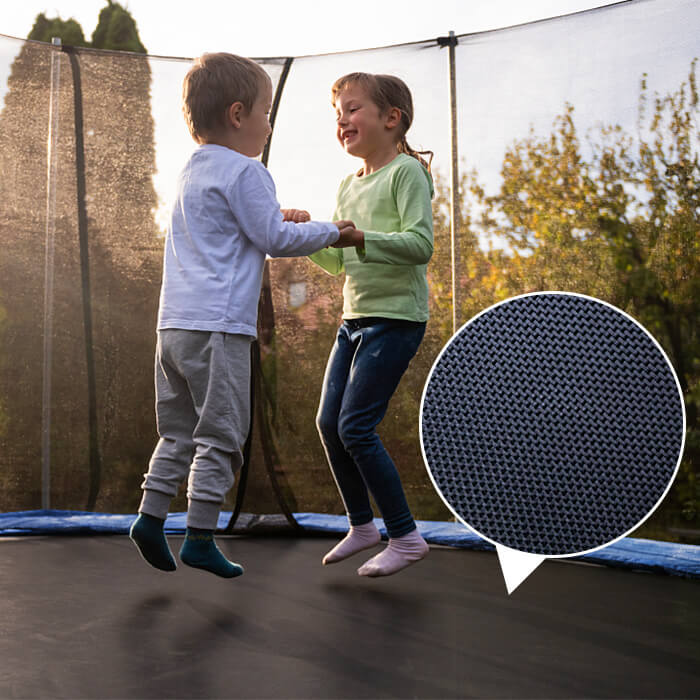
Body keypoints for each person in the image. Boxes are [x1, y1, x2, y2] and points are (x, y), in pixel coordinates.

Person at [129, 52, 359, 578]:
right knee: (223, 433)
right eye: (266, 113)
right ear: (238, 115)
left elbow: (232, 230)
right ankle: (201, 535)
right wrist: (332, 230)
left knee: (178, 432)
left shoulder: (192, 170)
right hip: (219, 329)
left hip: (173, 328)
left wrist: (274, 218)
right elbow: (275, 240)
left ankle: (149, 517)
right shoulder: (248, 171)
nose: (268, 123)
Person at [309, 72, 435, 577]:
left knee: (356, 427)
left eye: (353, 108)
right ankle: (363, 525)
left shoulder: (406, 173)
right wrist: (309, 236)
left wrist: (360, 236)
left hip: (395, 320)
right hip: (353, 320)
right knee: (329, 424)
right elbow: (339, 264)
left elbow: (420, 245)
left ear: (391, 117)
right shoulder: (348, 183)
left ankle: (404, 536)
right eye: (338, 112)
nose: (342, 119)